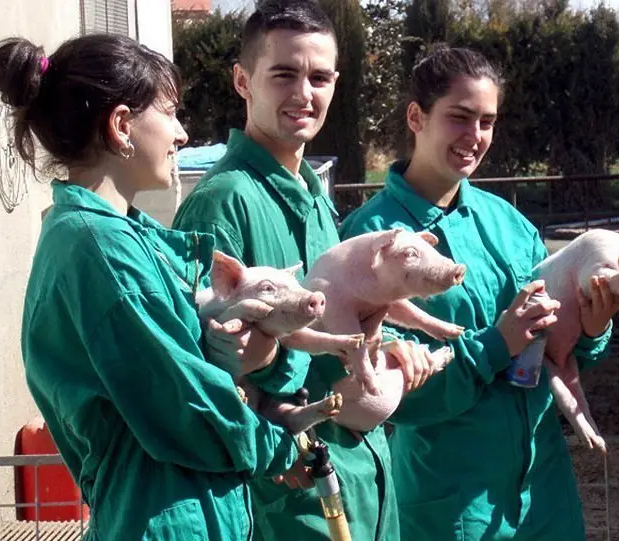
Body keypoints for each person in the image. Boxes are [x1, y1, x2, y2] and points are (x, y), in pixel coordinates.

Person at [0, 33, 301, 540]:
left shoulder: (111, 238)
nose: (182, 134)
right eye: (171, 113)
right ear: (120, 126)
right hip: (164, 520)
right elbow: (183, 402)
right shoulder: (99, 247)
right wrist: (278, 445)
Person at [172, 2, 434, 539]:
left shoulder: (315, 197)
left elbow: (339, 322)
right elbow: (202, 371)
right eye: (284, 74)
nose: (304, 94)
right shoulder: (223, 203)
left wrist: (384, 350)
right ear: (243, 81)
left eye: (318, 77)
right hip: (287, 499)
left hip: (364, 481)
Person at [338, 45, 619, 541]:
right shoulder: (370, 241)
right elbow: (381, 393)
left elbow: (556, 351)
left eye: (487, 121)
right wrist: (495, 345)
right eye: (460, 118)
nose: (475, 137)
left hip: (544, 494)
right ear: (416, 117)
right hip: (453, 502)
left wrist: (592, 331)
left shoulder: (509, 222)